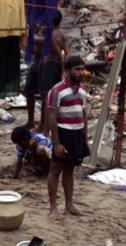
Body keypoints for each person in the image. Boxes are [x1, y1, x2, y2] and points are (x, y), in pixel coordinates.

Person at [46, 55, 89, 218]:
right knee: (55, 170)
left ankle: (69, 204)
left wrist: (84, 136)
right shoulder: (57, 90)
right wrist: (56, 143)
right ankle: (53, 208)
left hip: (77, 133)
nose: (81, 72)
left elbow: (83, 113)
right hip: (63, 132)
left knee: (70, 170)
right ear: (67, 71)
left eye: (82, 69)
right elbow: (51, 116)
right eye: (77, 69)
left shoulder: (82, 90)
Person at [40, 10, 69, 134]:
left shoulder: (50, 34)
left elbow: (57, 53)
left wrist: (63, 69)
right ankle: (49, 127)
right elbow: (67, 52)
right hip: (57, 66)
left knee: (47, 98)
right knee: (55, 97)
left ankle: (46, 130)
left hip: (50, 65)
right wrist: (65, 67)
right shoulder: (62, 33)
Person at [22, 23, 45, 129]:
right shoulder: (35, 28)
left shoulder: (47, 27)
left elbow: (44, 40)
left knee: (44, 93)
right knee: (28, 90)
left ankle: (42, 123)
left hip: (46, 60)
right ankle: (31, 120)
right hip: (36, 59)